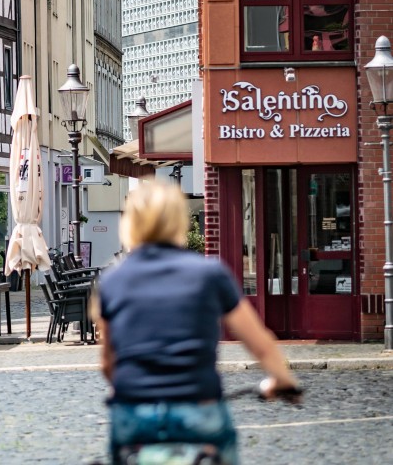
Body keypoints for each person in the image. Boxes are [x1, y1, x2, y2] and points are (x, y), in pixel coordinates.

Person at [95, 181, 299, 465]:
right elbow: (261, 344)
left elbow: (108, 362)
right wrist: (283, 380)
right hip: (198, 409)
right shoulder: (210, 275)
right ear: (179, 221)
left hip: (134, 413)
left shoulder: (112, 282)